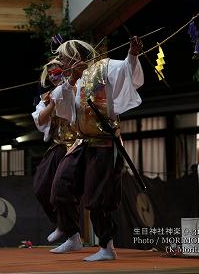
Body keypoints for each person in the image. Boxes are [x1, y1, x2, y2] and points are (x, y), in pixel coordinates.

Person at [50, 36, 144, 261]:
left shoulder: (104, 68)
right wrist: (68, 83)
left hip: (104, 143)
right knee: (60, 186)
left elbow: (128, 73)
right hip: (83, 143)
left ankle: (106, 247)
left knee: (97, 197)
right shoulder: (73, 80)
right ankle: (72, 237)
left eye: (63, 57)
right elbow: (65, 112)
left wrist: (132, 54)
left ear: (75, 56)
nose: (60, 61)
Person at [31, 57, 80, 247]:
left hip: (79, 144)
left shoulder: (77, 88)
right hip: (59, 145)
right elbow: (41, 120)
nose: (53, 77)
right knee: (41, 187)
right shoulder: (48, 96)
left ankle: (73, 234)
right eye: (50, 74)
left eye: (57, 73)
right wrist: (52, 103)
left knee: (62, 189)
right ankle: (62, 224)